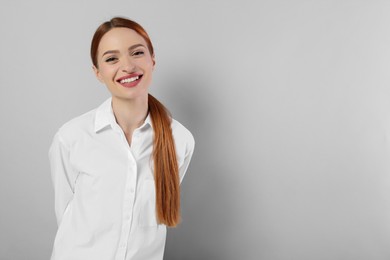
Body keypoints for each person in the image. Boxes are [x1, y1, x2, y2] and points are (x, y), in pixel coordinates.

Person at [48, 17, 195, 260]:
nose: (127, 66)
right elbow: (65, 215)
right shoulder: (72, 137)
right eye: (111, 58)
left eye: (137, 53)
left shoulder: (180, 139)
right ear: (98, 72)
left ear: (152, 60)